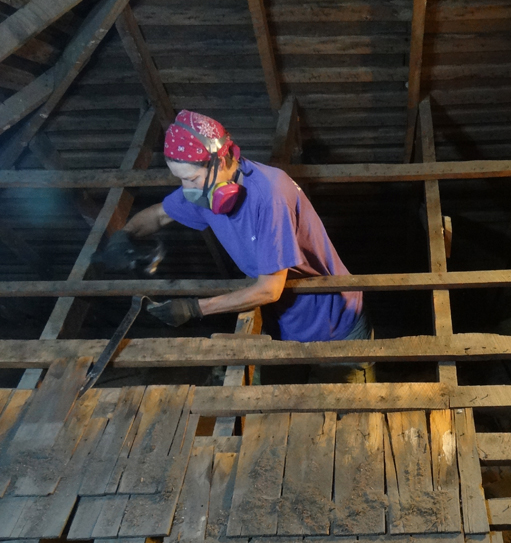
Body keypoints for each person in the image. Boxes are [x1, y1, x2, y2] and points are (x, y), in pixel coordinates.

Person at [101, 110, 373, 383]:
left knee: (350, 414)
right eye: (180, 179)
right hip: (287, 327)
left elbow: (269, 289)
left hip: (336, 325)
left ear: (220, 162)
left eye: (191, 178)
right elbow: (160, 214)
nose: (186, 188)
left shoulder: (270, 195)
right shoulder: (205, 192)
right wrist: (125, 235)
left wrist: (194, 308)